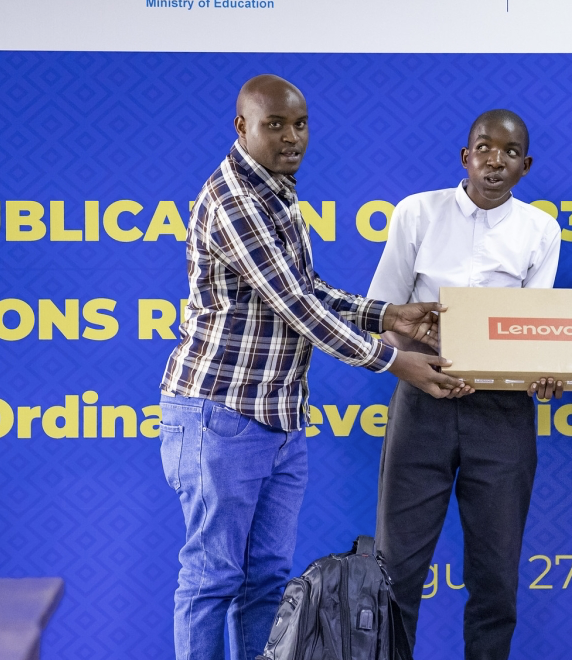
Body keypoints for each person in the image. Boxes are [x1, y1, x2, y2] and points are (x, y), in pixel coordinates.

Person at [158, 74, 469, 660]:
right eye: (274, 124)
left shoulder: (278, 192)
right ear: (241, 127)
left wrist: (389, 315)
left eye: (300, 124)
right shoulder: (234, 201)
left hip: (277, 419)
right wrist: (393, 360)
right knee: (212, 581)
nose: (292, 137)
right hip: (221, 414)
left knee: (266, 583)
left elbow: (311, 287)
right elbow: (297, 306)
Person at [367, 109, 563, 660]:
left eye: (508, 151)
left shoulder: (541, 230)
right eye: (483, 147)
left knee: (495, 577)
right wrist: (416, 358)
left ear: (525, 166)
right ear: (464, 156)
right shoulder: (416, 213)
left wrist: (543, 373)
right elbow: (382, 312)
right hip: (422, 404)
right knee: (396, 573)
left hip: (502, 416)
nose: (494, 159)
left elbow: (535, 332)